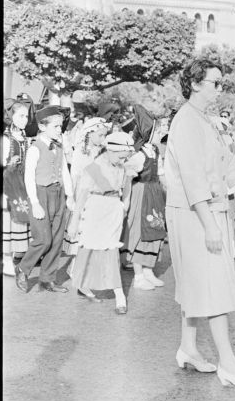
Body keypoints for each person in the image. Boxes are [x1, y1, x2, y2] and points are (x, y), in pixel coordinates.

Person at [164, 57, 235, 387]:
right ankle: (228, 364)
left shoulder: (205, 121)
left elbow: (227, 166)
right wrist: (210, 226)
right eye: (215, 83)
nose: (219, 89)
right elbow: (194, 179)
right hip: (195, 214)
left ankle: (189, 348)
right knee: (213, 286)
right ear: (195, 84)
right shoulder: (186, 121)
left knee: (198, 284)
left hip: (208, 211)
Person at [68, 132, 135, 311]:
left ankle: (119, 295)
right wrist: (74, 221)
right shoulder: (94, 167)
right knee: (88, 249)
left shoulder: (124, 165)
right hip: (95, 208)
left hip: (113, 210)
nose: (122, 159)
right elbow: (81, 195)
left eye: (125, 157)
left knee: (111, 251)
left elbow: (127, 184)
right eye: (120, 156)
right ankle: (82, 284)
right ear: (110, 150)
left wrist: (124, 205)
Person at [15, 106, 74, 294]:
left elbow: (64, 170)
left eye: (60, 126)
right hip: (41, 194)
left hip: (58, 193)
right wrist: (34, 203)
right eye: (56, 126)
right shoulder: (35, 148)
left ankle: (47, 279)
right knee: (44, 239)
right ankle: (22, 269)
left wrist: (70, 195)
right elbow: (28, 178)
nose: (60, 130)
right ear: (42, 126)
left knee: (57, 239)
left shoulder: (58, 145)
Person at [122, 105, 168, 290]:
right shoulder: (139, 155)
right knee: (139, 232)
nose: (162, 132)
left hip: (154, 193)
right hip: (141, 194)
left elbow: (162, 173)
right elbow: (126, 171)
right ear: (150, 133)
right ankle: (139, 275)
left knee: (155, 230)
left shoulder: (156, 152)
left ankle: (149, 270)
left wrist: (169, 191)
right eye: (158, 130)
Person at [62, 117, 111, 257]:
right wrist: (71, 198)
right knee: (82, 230)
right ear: (90, 133)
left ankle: (90, 263)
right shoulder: (80, 152)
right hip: (83, 196)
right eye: (100, 135)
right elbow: (74, 176)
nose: (103, 138)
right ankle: (76, 266)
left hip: (99, 195)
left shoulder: (103, 152)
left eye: (104, 135)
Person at [2, 101, 32, 276]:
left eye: (26, 116)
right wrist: (8, 164)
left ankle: (14, 255)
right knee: (8, 217)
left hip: (22, 183)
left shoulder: (25, 139)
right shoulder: (6, 139)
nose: (25, 119)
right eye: (21, 115)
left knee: (20, 217)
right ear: (10, 116)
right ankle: (5, 258)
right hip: (8, 184)